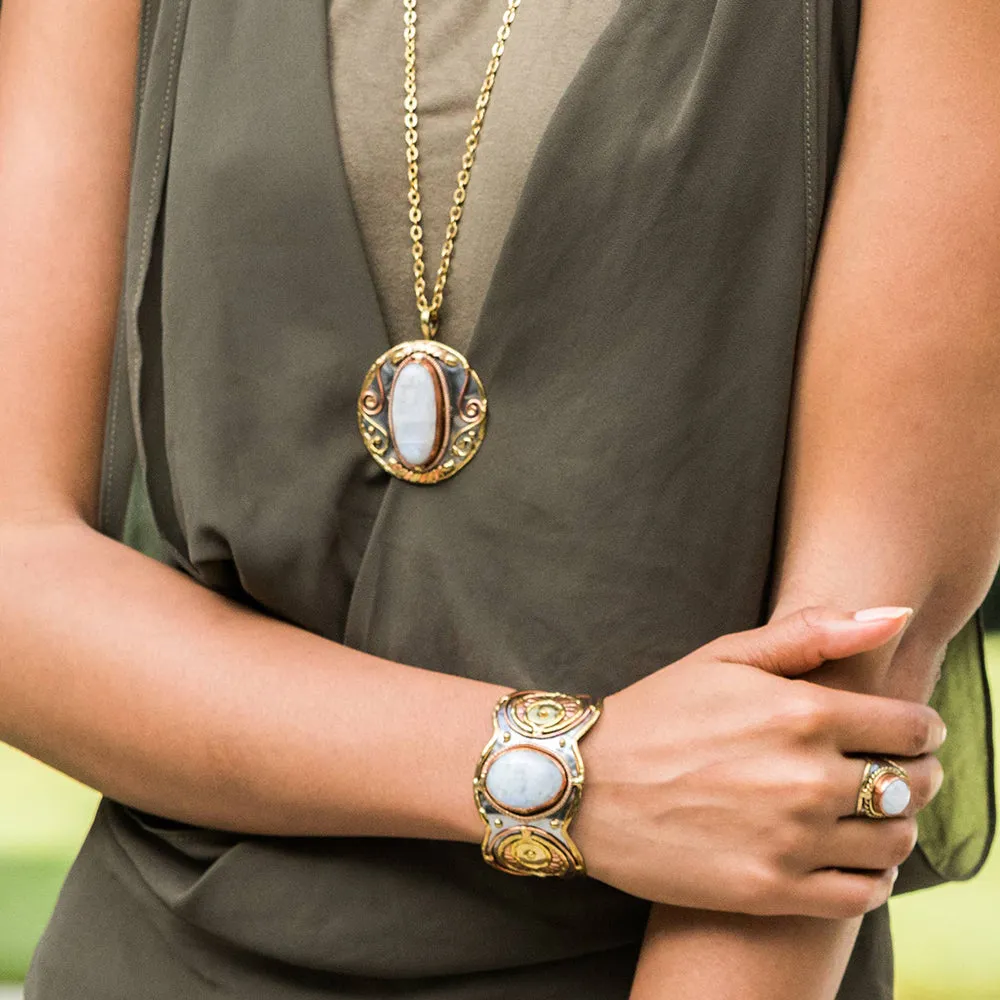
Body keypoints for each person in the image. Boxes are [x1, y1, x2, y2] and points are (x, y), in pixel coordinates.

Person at [0, 1, 995, 998]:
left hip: (677, 956)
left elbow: (852, 664)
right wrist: (567, 776)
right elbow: (17, 572)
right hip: (157, 954)